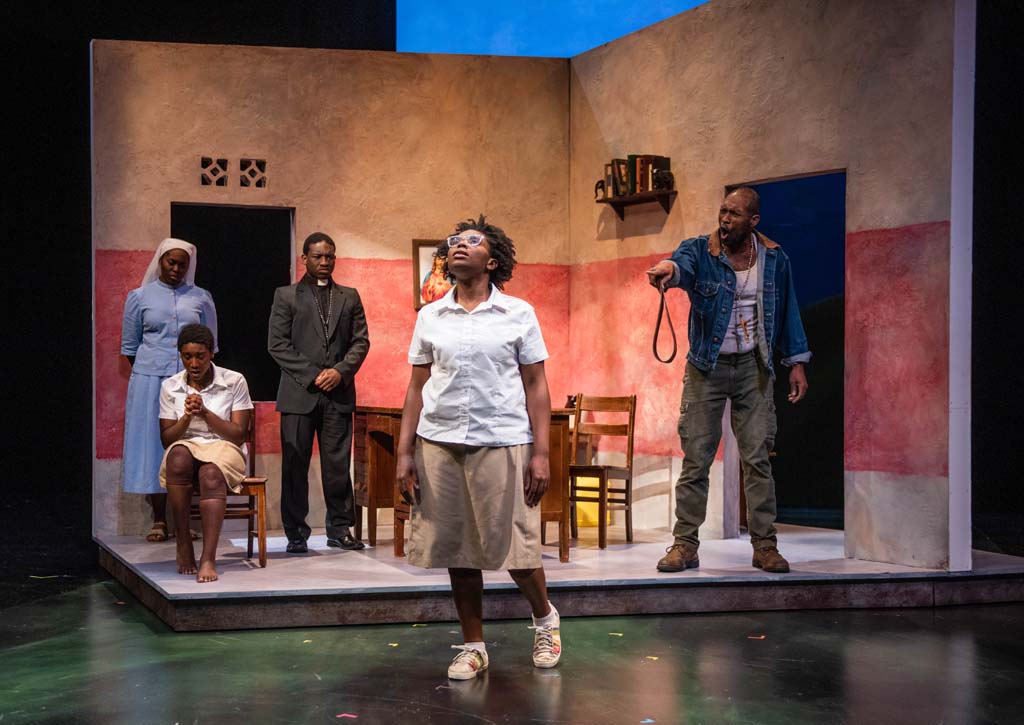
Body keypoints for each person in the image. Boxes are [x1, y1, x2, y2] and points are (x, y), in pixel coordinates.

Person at [396, 215, 562, 681]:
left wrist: (541, 452)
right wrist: (405, 453)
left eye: (472, 241)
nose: (459, 245)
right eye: (454, 241)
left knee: (516, 550)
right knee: (459, 550)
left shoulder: (518, 313)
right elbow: (416, 387)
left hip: (502, 439)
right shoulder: (431, 316)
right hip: (440, 442)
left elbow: (536, 384)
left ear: (492, 261)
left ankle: (545, 620)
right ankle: (473, 646)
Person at [646, 187, 811, 574]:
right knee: (696, 460)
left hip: (754, 366)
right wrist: (668, 271)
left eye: (734, 214)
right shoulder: (700, 250)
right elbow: (680, 264)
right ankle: (685, 545)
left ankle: (765, 546)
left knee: (757, 460)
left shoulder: (774, 258)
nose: (725, 220)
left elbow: (788, 309)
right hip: (707, 367)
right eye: (723, 211)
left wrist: (797, 363)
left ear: (753, 220)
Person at [268, 232, 370, 554]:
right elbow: (277, 345)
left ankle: (339, 529)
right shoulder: (286, 296)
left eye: (329, 256)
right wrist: (314, 375)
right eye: (318, 256)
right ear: (304, 259)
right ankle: (296, 534)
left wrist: (340, 372)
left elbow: (360, 342)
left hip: (338, 394)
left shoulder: (349, 296)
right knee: (295, 466)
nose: (324, 262)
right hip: (299, 393)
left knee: (338, 466)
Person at [121, 238, 217, 542]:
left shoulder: (201, 298)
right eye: (170, 262)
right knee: (154, 445)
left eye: (182, 264)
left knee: (189, 444)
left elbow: (210, 343)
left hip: (190, 381)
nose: (176, 268)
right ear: (160, 261)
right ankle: (159, 519)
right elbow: (130, 347)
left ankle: (183, 522)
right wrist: (157, 368)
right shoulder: (139, 297)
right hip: (150, 380)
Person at [158, 324, 253, 583]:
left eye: (200, 356)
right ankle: (183, 543)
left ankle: (208, 558)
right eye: (187, 356)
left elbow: (238, 434)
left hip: (224, 445)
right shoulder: (170, 386)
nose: (194, 363)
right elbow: (167, 439)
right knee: (177, 458)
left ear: (211, 353)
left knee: (211, 474)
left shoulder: (234, 381)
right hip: (187, 445)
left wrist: (206, 413)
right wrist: (187, 417)